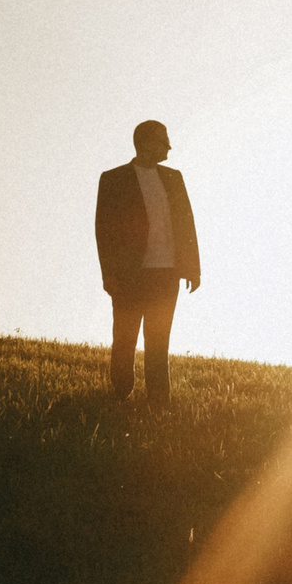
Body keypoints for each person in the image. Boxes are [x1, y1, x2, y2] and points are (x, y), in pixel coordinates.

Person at [94, 120, 201, 406]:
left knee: (159, 341)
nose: (169, 147)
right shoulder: (114, 179)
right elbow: (104, 229)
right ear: (144, 142)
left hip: (167, 273)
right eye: (163, 140)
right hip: (129, 274)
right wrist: (109, 273)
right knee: (125, 338)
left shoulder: (174, 178)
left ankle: (159, 402)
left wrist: (192, 268)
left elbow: (186, 224)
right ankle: (120, 393)